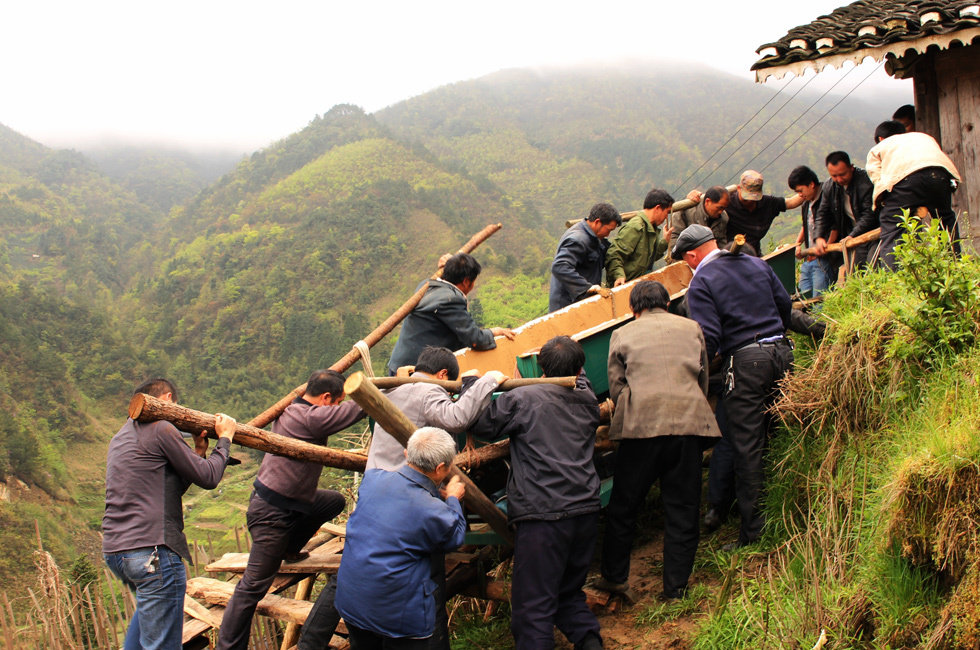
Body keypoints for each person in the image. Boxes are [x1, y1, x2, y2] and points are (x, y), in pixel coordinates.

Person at [471, 336, 603, 650]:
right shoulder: (587, 396)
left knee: (532, 609)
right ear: (580, 367)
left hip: (545, 515)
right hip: (585, 508)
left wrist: (474, 386)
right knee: (568, 595)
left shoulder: (524, 397)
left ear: (539, 368)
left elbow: (482, 424)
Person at [217, 370, 366, 650]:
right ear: (325, 398)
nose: (335, 407)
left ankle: (290, 548)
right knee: (253, 587)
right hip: (272, 512)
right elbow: (354, 410)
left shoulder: (295, 407)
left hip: (296, 501)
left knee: (333, 501)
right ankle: (228, 647)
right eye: (335, 402)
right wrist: (382, 390)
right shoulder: (308, 417)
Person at [597, 281, 720, 600]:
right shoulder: (692, 327)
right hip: (688, 425)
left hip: (641, 429)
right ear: (666, 303)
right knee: (683, 508)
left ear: (634, 309)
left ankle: (615, 578)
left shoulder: (622, 334)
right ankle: (675, 588)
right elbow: (702, 378)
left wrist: (634, 405)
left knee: (624, 506)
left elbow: (616, 386)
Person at [674, 225, 793, 547]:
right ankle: (788, 509)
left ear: (692, 256)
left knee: (747, 447)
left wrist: (696, 371)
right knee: (778, 432)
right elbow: (784, 306)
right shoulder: (756, 263)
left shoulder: (701, 282)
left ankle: (753, 532)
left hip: (746, 363)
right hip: (782, 352)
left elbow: (709, 337)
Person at [103, 378, 237, 650]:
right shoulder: (162, 427)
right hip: (153, 553)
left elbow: (169, 488)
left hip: (118, 553)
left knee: (143, 637)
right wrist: (225, 437)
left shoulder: (120, 437)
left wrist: (199, 453)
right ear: (166, 399)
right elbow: (210, 477)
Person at [335, 427, 467, 649]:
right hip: (398, 616)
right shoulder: (434, 512)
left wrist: (433, 493)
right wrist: (453, 498)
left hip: (351, 601)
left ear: (407, 454)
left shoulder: (373, 478)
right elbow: (455, 537)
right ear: (440, 468)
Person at [370, 346, 506, 471]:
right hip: (402, 484)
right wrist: (489, 380)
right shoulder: (428, 391)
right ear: (442, 374)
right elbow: (455, 419)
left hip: (373, 478)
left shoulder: (388, 390)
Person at [387, 253, 514, 374]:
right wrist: (494, 332)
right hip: (414, 371)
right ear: (466, 281)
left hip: (398, 365)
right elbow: (474, 339)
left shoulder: (426, 285)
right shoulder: (451, 300)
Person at [866, 120, 962, 269]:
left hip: (906, 178)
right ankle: (955, 268)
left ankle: (895, 280)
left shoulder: (880, 147)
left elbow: (877, 178)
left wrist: (884, 204)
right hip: (940, 175)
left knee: (892, 226)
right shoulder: (922, 137)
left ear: (880, 139)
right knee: (945, 220)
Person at [549, 202, 622, 311]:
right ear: (597, 222)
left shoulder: (595, 238)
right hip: (568, 305)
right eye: (608, 230)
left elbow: (610, 252)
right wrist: (587, 288)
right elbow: (560, 266)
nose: (608, 235)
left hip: (582, 303)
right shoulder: (578, 239)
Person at [812, 151, 876, 269]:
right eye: (834, 176)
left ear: (851, 168)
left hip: (874, 234)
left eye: (842, 174)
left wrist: (852, 235)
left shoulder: (866, 181)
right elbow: (823, 214)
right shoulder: (829, 187)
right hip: (854, 239)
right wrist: (819, 236)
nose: (839, 179)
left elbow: (870, 214)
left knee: (875, 265)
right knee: (856, 270)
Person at [725, 170, 804, 256]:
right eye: (746, 198)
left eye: (753, 199)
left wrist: (809, 190)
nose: (750, 202)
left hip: (754, 256)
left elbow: (791, 202)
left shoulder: (766, 203)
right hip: (729, 256)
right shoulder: (726, 204)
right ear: (739, 189)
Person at [605, 189, 674, 286]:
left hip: (640, 285)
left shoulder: (650, 229)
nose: (666, 217)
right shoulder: (636, 227)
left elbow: (648, 258)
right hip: (626, 286)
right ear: (658, 208)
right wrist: (619, 276)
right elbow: (614, 254)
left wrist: (665, 241)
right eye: (666, 212)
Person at [787, 166, 831, 296]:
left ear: (811, 184)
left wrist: (824, 248)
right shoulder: (806, 203)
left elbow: (833, 225)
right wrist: (797, 244)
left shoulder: (826, 196)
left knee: (820, 300)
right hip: (809, 259)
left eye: (800, 190)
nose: (800, 195)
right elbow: (805, 225)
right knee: (804, 299)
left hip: (824, 259)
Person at [669, 185, 730, 253]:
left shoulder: (723, 218)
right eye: (719, 208)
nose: (721, 212)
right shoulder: (686, 211)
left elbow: (721, 242)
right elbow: (674, 237)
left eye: (724, 208)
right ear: (708, 201)